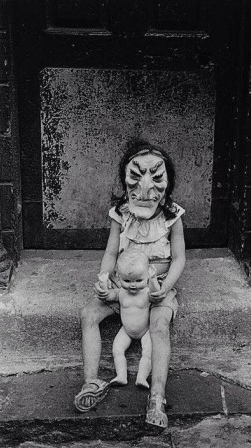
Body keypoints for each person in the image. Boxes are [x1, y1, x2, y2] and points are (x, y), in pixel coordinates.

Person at [74, 138, 186, 428]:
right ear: (125, 180)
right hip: (122, 286)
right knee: (88, 314)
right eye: (136, 177)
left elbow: (178, 260)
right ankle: (91, 383)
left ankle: (157, 396)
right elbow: (111, 253)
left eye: (156, 177)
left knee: (159, 325)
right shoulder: (120, 214)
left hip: (156, 288)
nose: (145, 189)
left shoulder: (173, 217)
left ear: (167, 182)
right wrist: (103, 278)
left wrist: (164, 286)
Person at [99, 248, 160, 389]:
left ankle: (142, 377)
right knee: (117, 350)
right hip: (125, 330)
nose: (133, 285)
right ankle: (121, 376)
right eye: (127, 280)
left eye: (139, 280)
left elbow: (156, 294)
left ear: (146, 276)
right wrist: (103, 282)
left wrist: (153, 279)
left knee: (148, 352)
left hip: (146, 330)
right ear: (119, 278)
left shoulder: (146, 291)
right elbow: (107, 296)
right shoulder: (121, 292)